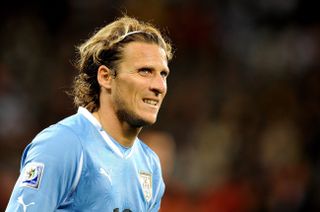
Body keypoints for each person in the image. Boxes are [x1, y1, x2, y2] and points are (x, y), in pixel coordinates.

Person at [6, 15, 173, 212]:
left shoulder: (150, 165)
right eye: (144, 71)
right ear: (106, 77)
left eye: (163, 74)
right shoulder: (63, 145)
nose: (159, 86)